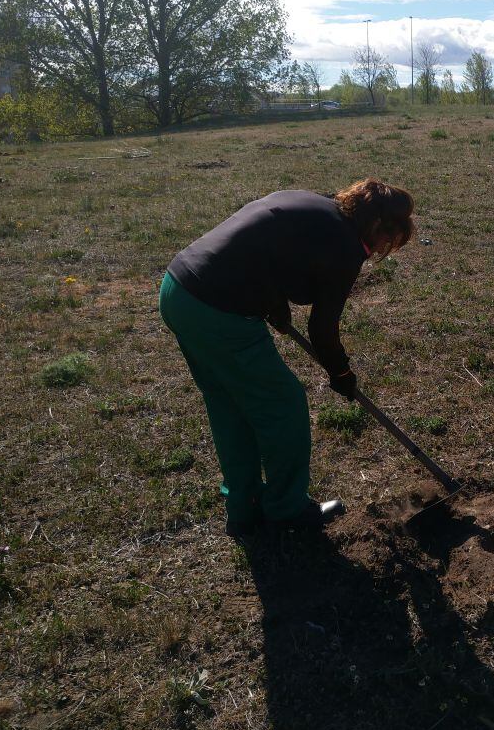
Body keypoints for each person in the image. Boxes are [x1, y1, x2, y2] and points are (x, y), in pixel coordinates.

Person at [159, 179, 415, 539]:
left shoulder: (312, 206)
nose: (378, 251)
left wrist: (274, 304)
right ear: (377, 226)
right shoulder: (345, 246)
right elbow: (323, 328)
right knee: (284, 404)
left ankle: (244, 509)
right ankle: (287, 509)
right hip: (218, 309)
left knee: (231, 406)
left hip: (178, 290)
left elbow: (265, 248)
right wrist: (341, 372)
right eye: (386, 242)